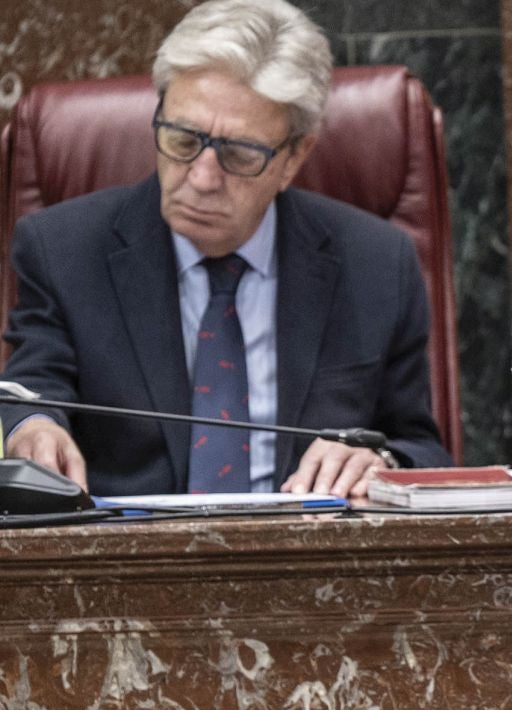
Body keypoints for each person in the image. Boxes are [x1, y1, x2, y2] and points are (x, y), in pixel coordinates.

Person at [0, 0, 452, 498]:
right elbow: (31, 389)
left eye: (239, 154)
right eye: (182, 139)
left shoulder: (377, 264)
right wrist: (33, 426)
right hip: (128, 559)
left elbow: (422, 448)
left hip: (311, 557)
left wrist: (380, 461)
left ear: (294, 157)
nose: (202, 178)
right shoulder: (63, 250)